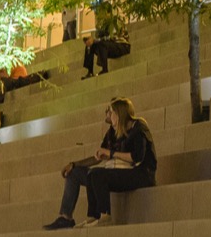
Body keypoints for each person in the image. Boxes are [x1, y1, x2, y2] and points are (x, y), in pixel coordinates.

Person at [42, 98, 156, 230]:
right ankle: (75, 218)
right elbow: (100, 156)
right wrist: (74, 164)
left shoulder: (138, 127)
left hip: (141, 174)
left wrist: (111, 153)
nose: (107, 114)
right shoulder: (112, 132)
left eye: (110, 111)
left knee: (97, 174)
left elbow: (137, 157)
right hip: (117, 171)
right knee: (80, 173)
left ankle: (105, 216)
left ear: (119, 114)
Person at [82, 0, 130, 78]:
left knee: (102, 44)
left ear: (108, 13)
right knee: (90, 45)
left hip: (122, 45)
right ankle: (90, 71)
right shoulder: (103, 24)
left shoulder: (115, 21)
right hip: (110, 45)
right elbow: (99, 36)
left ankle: (105, 69)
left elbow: (113, 37)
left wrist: (96, 40)